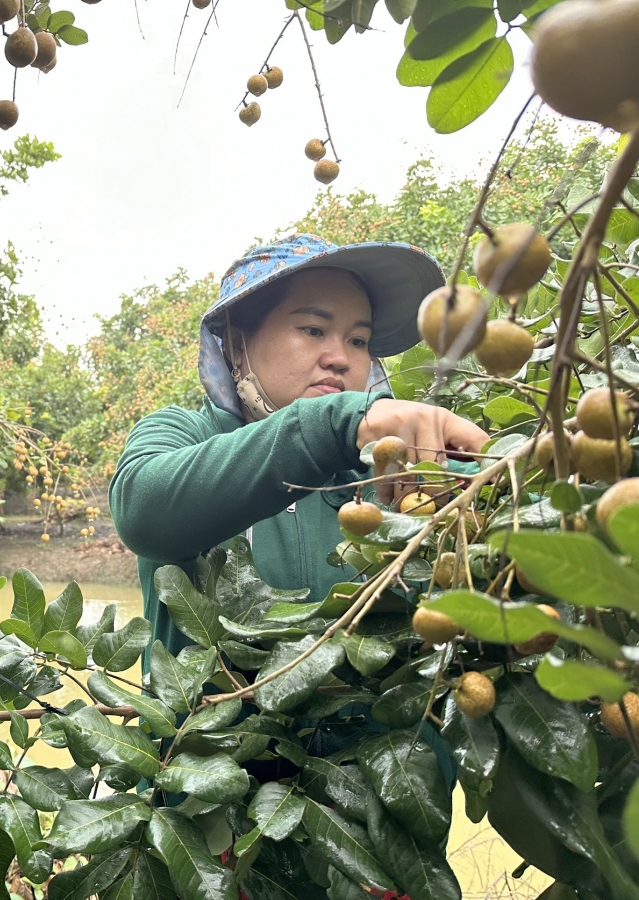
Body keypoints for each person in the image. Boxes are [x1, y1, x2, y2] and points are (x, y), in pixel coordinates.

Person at [110, 232, 489, 678]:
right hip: (214, 743)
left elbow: (503, 492)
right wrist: (336, 422)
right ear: (235, 342)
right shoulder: (181, 434)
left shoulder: (391, 469)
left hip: (392, 748)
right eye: (312, 330)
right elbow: (144, 509)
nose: (341, 359)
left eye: (359, 341)